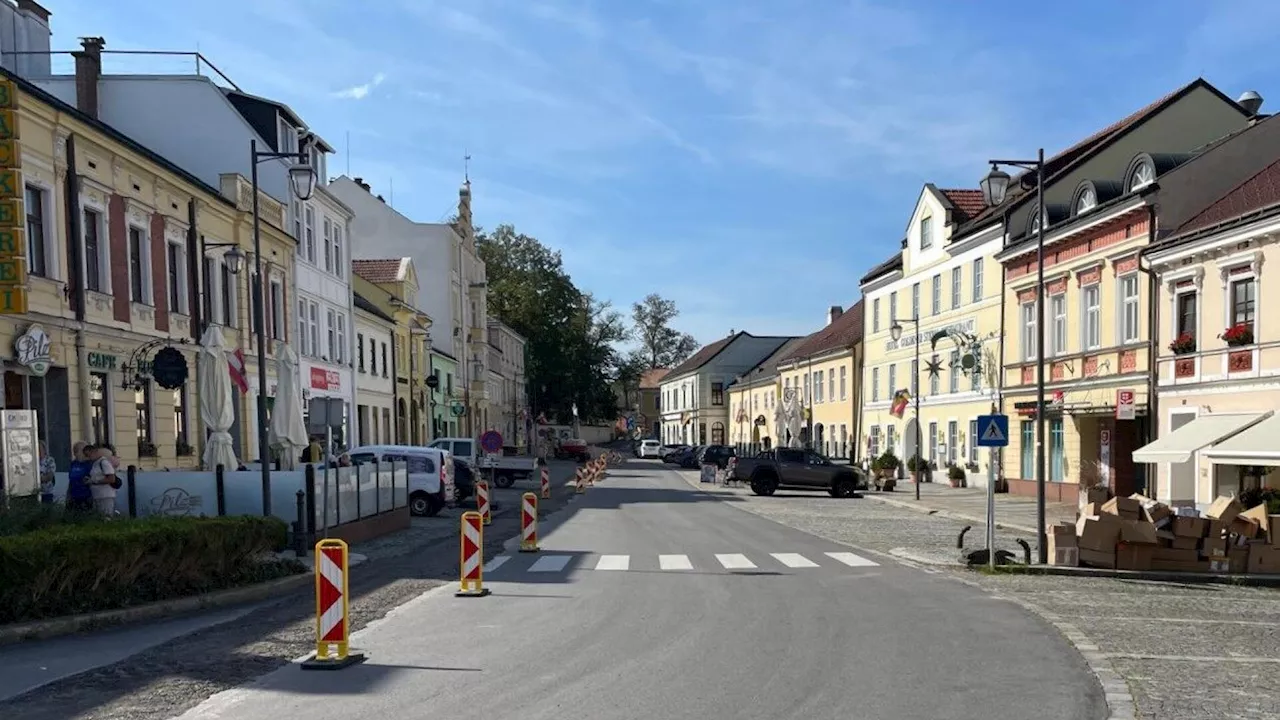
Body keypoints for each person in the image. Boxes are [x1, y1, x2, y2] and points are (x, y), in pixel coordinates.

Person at [88, 443, 120, 517]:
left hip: (105, 495)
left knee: (106, 516)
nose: (88, 456)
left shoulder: (104, 462)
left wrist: (94, 481)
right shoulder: (95, 463)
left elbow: (111, 479)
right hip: (97, 495)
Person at [66, 442, 95, 512]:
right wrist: (68, 495)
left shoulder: (90, 464)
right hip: (73, 496)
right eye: (74, 451)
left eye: (77, 450)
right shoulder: (73, 464)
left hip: (86, 495)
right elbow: (71, 480)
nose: (75, 453)